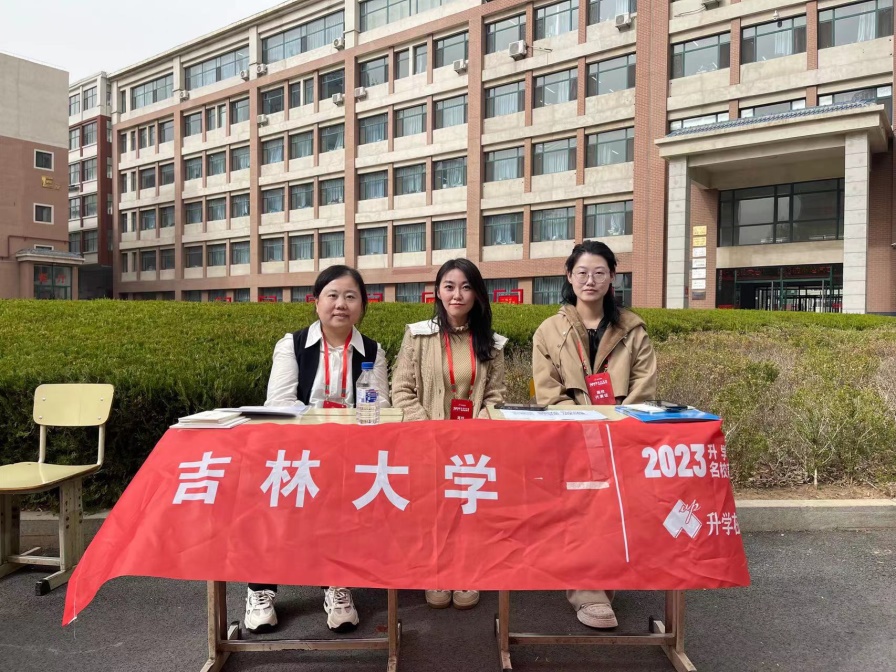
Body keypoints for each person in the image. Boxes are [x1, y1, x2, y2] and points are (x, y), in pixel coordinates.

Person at [246, 265, 391, 634]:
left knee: (342, 508)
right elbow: (279, 403)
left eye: (350, 296)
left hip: (348, 454)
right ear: (316, 302)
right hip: (296, 450)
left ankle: (336, 586)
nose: (341, 304)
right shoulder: (292, 345)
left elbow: (380, 407)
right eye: (332, 295)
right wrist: (324, 425)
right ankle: (259, 590)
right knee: (272, 506)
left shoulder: (373, 351)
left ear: (362, 305)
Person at [531, 240, 657, 629]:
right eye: (582, 272)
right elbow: (547, 390)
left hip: (621, 434)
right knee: (579, 510)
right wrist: (585, 423)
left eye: (599, 272)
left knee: (613, 511)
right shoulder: (549, 331)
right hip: (571, 435)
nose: (590, 280)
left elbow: (644, 384)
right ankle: (587, 591)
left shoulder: (632, 329)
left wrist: (616, 423)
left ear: (612, 277)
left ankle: (603, 583)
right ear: (569, 277)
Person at [391, 258, 507, 610]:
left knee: (468, 507)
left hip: (473, 444)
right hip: (426, 439)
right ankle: (436, 569)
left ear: (478, 294)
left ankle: (466, 569)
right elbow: (401, 390)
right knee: (432, 508)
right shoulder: (417, 336)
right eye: (450, 287)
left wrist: (476, 429)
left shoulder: (492, 343)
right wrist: (428, 429)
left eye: (466, 287)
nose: (457, 295)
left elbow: (495, 397)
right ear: (438, 292)